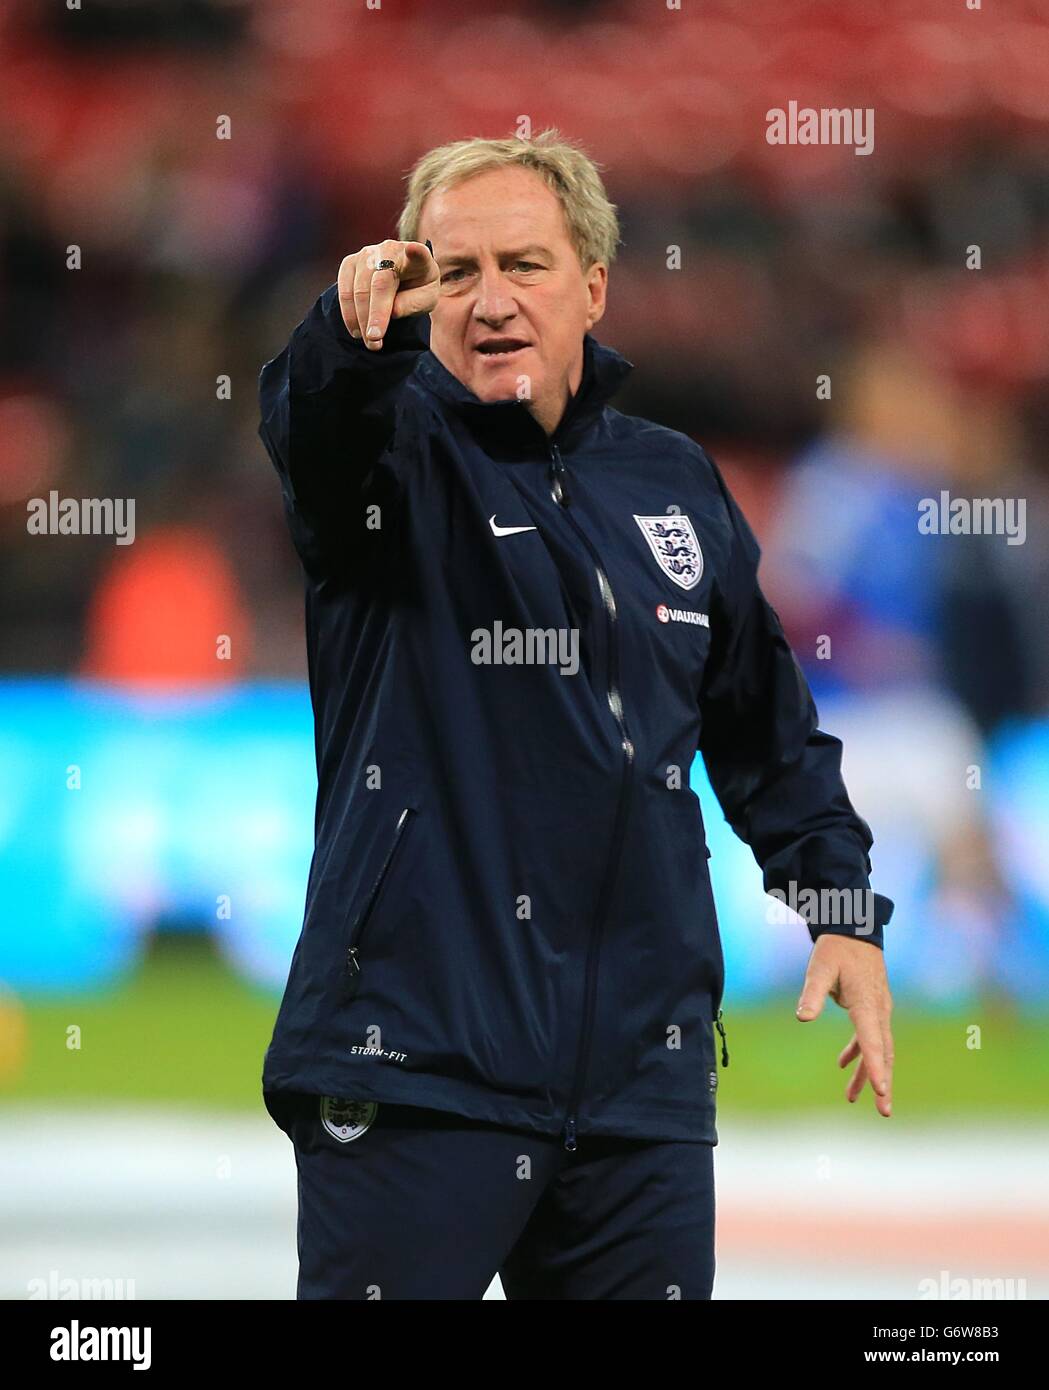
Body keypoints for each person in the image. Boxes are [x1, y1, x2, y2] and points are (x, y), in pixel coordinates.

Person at [256, 129, 894, 1301]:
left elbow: (762, 727)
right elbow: (314, 431)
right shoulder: (389, 455)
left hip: (635, 1091)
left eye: (524, 265)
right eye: (453, 273)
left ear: (592, 287)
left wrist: (842, 908)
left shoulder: (672, 481)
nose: (489, 299)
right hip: (412, 1069)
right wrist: (347, 343)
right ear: (412, 291)